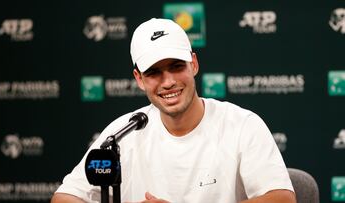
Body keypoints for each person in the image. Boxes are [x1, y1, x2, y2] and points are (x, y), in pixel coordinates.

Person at [51, 18, 296, 203]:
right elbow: (64, 198)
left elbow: (282, 198)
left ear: (194, 64)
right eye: (154, 72)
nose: (168, 82)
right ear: (139, 79)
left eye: (176, 66)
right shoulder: (123, 132)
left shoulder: (241, 124)